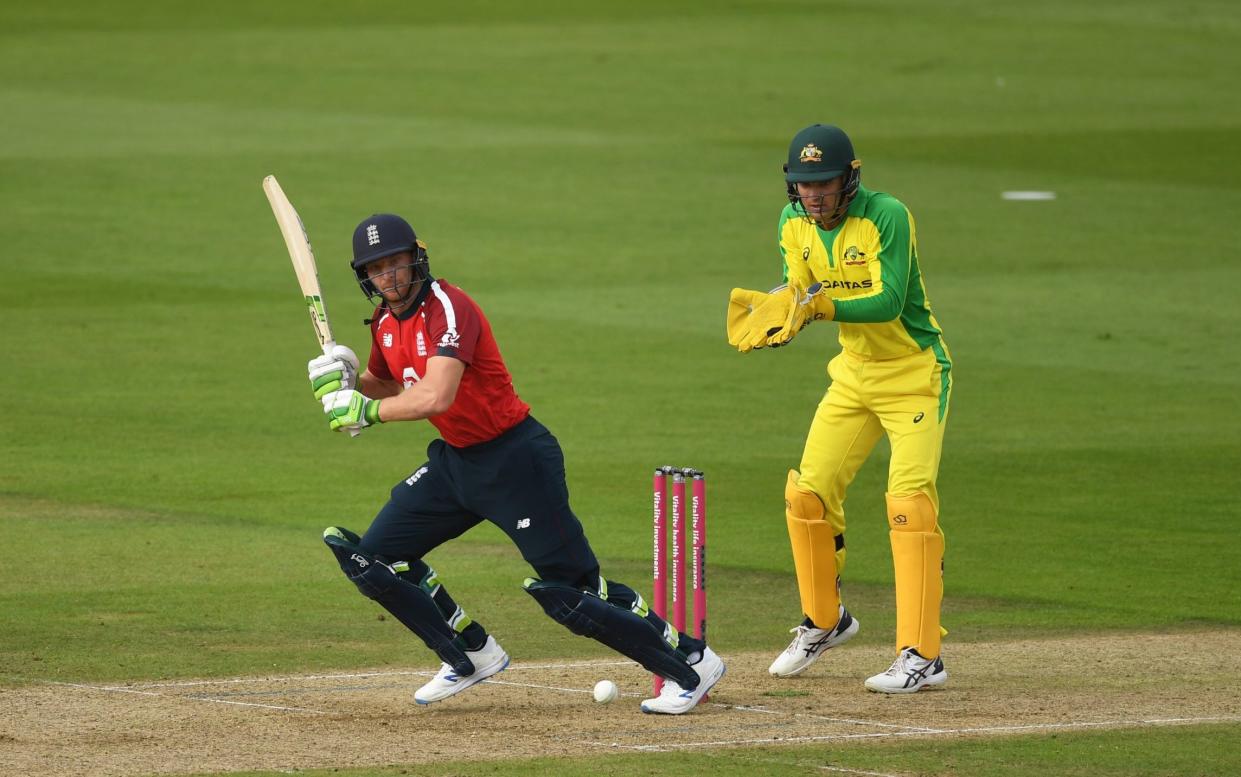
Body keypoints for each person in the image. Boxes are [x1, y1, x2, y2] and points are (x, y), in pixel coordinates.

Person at [307, 213, 724, 713]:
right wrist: (344, 378)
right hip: (456, 464)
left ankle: (692, 662)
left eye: (395, 263)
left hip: (516, 461)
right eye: (377, 269)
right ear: (365, 277)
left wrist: (365, 411)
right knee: (373, 561)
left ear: (416, 258)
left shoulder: (449, 307)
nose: (389, 277)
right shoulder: (385, 323)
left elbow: (436, 394)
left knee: (572, 593)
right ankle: (471, 653)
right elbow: (389, 383)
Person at [725, 124, 952, 693]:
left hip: (915, 374)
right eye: (804, 186)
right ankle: (825, 621)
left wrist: (819, 309)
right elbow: (796, 287)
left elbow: (889, 299)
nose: (814, 196)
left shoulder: (887, 216)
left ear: (849, 179)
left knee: (909, 508)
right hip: (854, 375)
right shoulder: (791, 223)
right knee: (806, 495)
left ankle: (923, 655)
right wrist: (782, 308)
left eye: (824, 184)